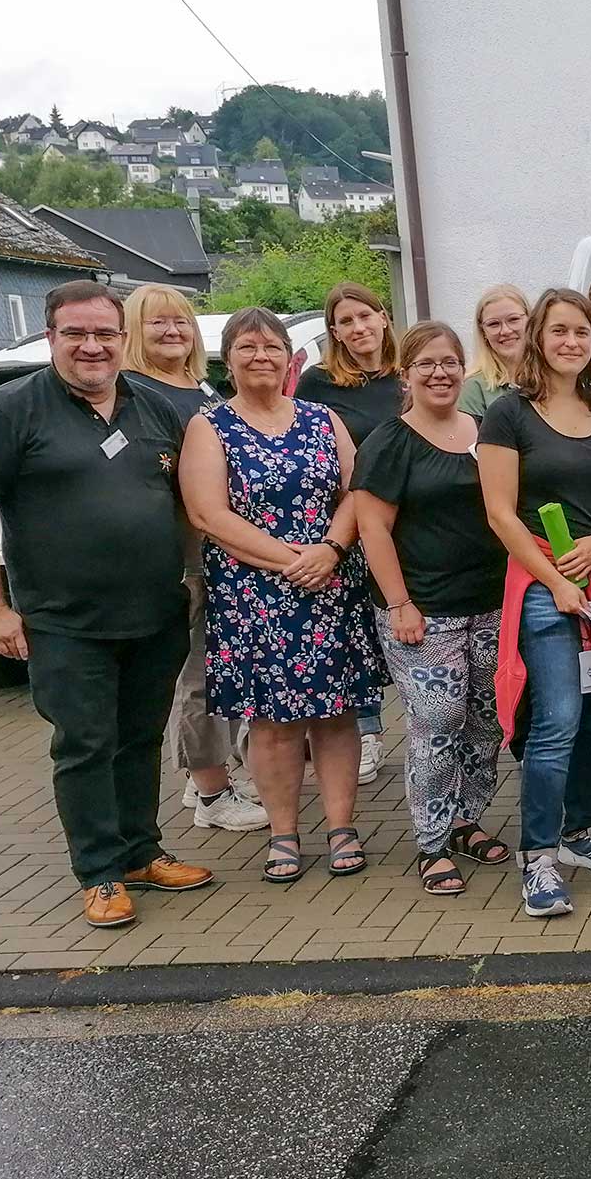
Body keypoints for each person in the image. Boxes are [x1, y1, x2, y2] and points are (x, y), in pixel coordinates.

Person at [0, 282, 213, 929]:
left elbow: (188, 502)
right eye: (76, 333)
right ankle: (98, 872)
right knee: (86, 744)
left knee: (139, 738)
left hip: (155, 613)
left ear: (122, 339)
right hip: (64, 621)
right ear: (52, 337)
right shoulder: (8, 410)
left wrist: (192, 580)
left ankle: (139, 853)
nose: (91, 346)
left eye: (104, 334)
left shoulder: (154, 407)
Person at [181, 308, 380, 883]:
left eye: (271, 347)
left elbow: (357, 492)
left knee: (337, 715)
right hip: (254, 596)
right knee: (273, 722)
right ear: (228, 359)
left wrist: (331, 550)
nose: (260, 357)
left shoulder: (322, 418)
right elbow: (207, 513)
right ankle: (284, 833)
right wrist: (292, 559)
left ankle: (341, 827)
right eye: (247, 347)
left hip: (330, 585)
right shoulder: (210, 426)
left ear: (290, 359)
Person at [481, 290, 591, 915]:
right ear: (538, 340)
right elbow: (500, 512)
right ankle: (539, 855)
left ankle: (581, 829)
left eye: (581, 332)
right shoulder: (508, 414)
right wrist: (555, 580)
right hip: (545, 590)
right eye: (559, 331)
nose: (571, 342)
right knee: (557, 723)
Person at [353, 322, 511, 898]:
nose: (439, 374)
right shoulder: (389, 442)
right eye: (426, 364)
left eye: (449, 363)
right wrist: (399, 602)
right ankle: (433, 841)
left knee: (487, 718)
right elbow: (372, 528)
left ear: (463, 369)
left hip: (491, 603)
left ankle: (467, 818)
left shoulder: (484, 432)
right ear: (406, 375)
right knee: (437, 722)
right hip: (424, 610)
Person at [120, 283, 267, 833]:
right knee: (202, 673)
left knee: (227, 670)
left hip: (231, 553)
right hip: (191, 556)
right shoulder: (135, 393)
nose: (172, 331)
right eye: (157, 321)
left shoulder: (198, 387)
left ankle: (207, 772)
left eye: (181, 320)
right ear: (134, 330)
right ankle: (211, 793)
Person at [294, 281, 400, 785]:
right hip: (350, 521)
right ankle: (368, 732)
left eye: (365, 316)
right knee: (358, 630)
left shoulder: (407, 375)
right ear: (334, 332)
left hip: (411, 519)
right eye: (346, 322)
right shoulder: (318, 384)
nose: (359, 328)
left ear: (383, 317)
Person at [459, 284, 529, 416]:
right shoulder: (474, 388)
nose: (505, 331)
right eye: (494, 324)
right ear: (483, 332)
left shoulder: (551, 378)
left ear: (530, 321)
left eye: (513, 319)